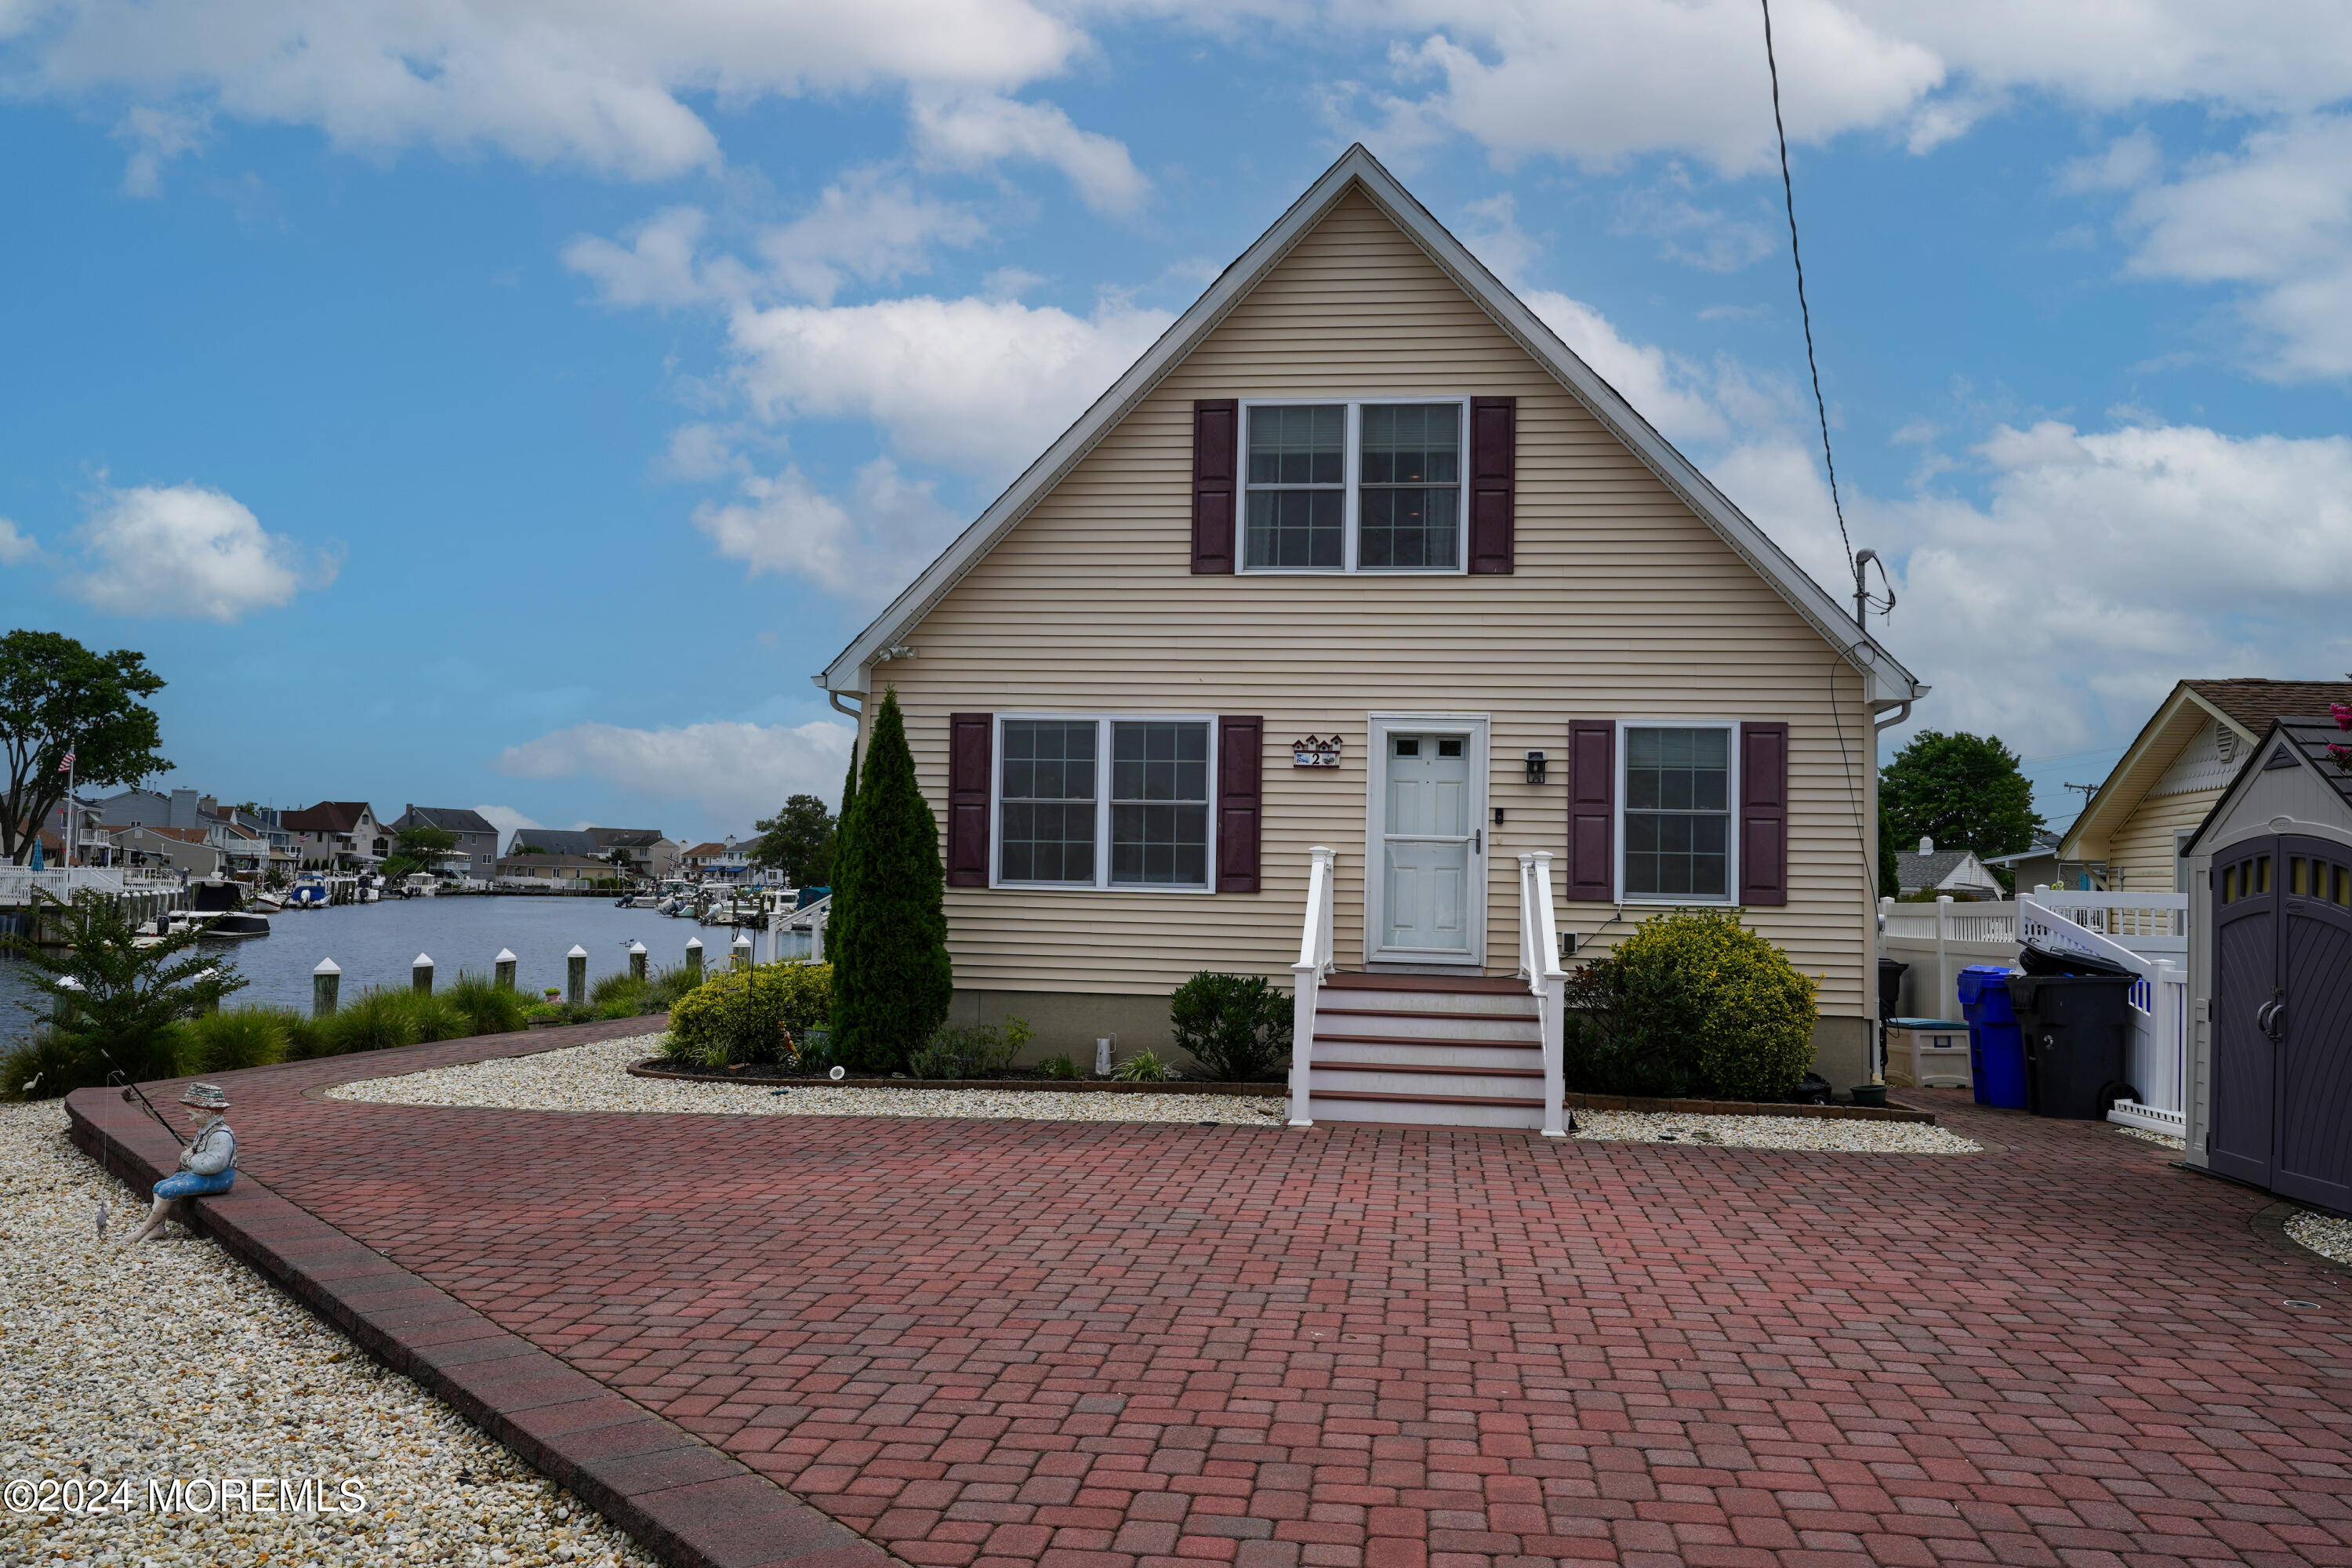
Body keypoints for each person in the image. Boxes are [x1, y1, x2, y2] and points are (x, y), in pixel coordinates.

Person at [129, 1083, 237, 1244]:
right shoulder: (206, 1129)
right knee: (159, 1187)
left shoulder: (221, 1135)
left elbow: (214, 1165)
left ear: (207, 1113)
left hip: (218, 1178)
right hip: (199, 1173)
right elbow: (197, 1154)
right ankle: (158, 1228)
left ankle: (142, 1231)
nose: (190, 1119)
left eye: (192, 1114)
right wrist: (188, 1156)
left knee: (167, 1190)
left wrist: (190, 1159)